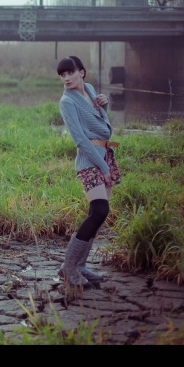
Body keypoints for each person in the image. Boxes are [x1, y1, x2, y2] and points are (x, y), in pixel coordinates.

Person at [56, 55, 121, 288]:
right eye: (62, 75)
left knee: (99, 214)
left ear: (81, 72)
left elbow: (102, 126)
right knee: (99, 210)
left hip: (106, 155)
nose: (66, 78)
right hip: (89, 161)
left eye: (70, 73)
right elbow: (81, 140)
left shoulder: (91, 90)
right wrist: (103, 168)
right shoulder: (67, 102)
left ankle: (80, 266)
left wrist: (105, 105)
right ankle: (69, 267)